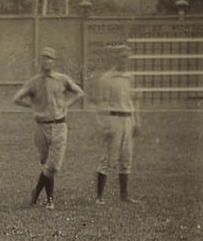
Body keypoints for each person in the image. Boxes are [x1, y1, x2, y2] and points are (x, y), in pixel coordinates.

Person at [13, 47, 85, 210]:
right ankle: (49, 199)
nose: (47, 61)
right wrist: (33, 106)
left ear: (54, 61)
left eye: (50, 58)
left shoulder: (62, 79)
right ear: (40, 61)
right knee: (46, 164)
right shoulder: (34, 82)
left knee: (53, 165)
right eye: (44, 58)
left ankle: (36, 192)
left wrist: (66, 104)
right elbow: (16, 98)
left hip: (59, 125)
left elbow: (79, 93)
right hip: (41, 127)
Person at [94, 44, 140, 204]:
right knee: (108, 158)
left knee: (127, 157)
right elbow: (102, 103)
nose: (124, 60)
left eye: (126, 57)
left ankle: (124, 195)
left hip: (128, 118)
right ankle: (99, 196)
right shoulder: (107, 78)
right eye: (121, 57)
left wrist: (136, 121)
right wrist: (105, 125)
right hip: (113, 119)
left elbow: (131, 100)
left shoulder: (130, 77)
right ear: (115, 58)